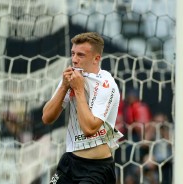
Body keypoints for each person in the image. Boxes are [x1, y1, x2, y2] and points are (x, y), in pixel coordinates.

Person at [42, 32, 123, 184]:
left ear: (96, 59)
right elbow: (47, 118)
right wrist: (64, 87)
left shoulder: (106, 84)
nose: (74, 60)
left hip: (96, 169)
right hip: (69, 162)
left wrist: (78, 90)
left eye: (80, 55)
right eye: (73, 54)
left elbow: (89, 129)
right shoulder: (71, 78)